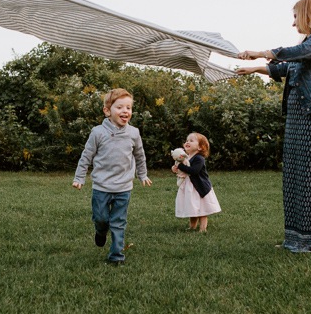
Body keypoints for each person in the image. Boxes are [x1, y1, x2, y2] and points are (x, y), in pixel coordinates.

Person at [236, 0, 311, 253]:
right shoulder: (306, 44)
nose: (294, 23)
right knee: (295, 175)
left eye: (296, 16)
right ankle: (295, 238)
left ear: (308, 13)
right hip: (297, 116)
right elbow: (286, 69)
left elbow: (299, 54)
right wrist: (254, 69)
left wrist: (264, 52)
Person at [72, 88, 152, 264]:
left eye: (129, 108)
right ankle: (100, 232)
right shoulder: (98, 132)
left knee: (118, 222)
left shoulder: (134, 133)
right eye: (120, 107)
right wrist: (79, 178)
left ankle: (116, 256)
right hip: (101, 187)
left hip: (124, 187)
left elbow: (140, 155)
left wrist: (142, 174)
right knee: (101, 219)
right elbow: (86, 156)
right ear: (107, 111)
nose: (125, 111)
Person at [171, 132, 221, 232]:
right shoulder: (185, 158)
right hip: (190, 187)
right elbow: (183, 170)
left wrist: (181, 167)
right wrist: (175, 168)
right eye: (186, 140)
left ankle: (203, 228)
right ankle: (192, 226)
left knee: (202, 208)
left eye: (191, 140)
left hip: (199, 187)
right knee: (191, 207)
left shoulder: (199, 158)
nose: (187, 142)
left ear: (200, 147)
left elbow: (194, 171)